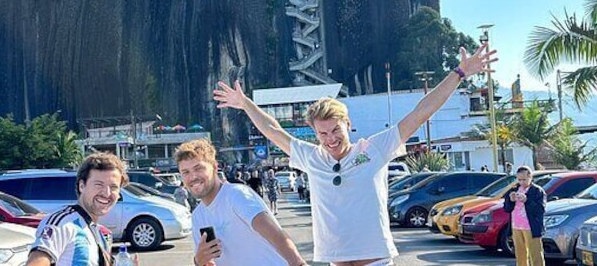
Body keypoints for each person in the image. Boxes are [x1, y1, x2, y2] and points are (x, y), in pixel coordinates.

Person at [214, 43, 496, 266]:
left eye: (336, 130)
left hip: (375, 258)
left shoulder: (373, 149)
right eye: (322, 134)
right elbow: (273, 130)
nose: (330, 139)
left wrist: (459, 74)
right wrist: (245, 104)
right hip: (336, 259)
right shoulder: (311, 157)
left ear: (348, 124)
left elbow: (421, 112)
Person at [175, 139, 308, 266]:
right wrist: (198, 261)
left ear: (215, 167)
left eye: (198, 168)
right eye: (185, 172)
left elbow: (275, 233)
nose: (192, 177)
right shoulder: (198, 216)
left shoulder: (237, 195)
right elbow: (207, 261)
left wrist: (299, 263)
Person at [27, 151, 139, 265]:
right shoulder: (63, 223)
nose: (106, 193)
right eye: (99, 184)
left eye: (113, 187)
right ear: (82, 186)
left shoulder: (98, 232)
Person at [504, 166, 546, 266]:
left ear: (530, 177)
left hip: (530, 227)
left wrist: (526, 200)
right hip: (516, 226)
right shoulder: (514, 189)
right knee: (520, 255)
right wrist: (510, 200)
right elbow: (506, 209)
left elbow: (540, 210)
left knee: (535, 255)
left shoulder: (537, 191)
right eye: (519, 179)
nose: (522, 182)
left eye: (524, 179)